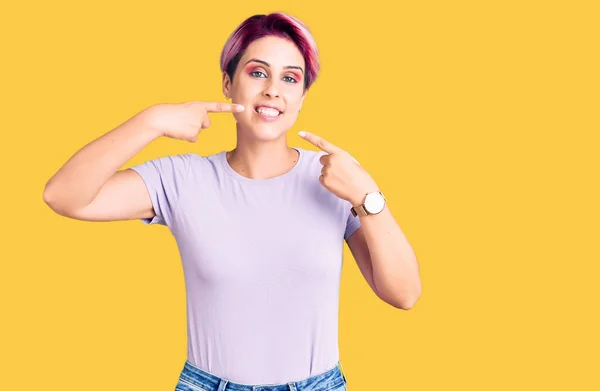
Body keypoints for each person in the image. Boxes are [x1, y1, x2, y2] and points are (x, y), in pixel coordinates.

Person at [43, 12, 421, 391]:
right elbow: (63, 196)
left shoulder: (336, 179)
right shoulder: (182, 179)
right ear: (228, 83)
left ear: (302, 96)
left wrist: (366, 194)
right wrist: (152, 121)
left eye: (290, 78)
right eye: (258, 72)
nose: (273, 89)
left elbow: (404, 294)